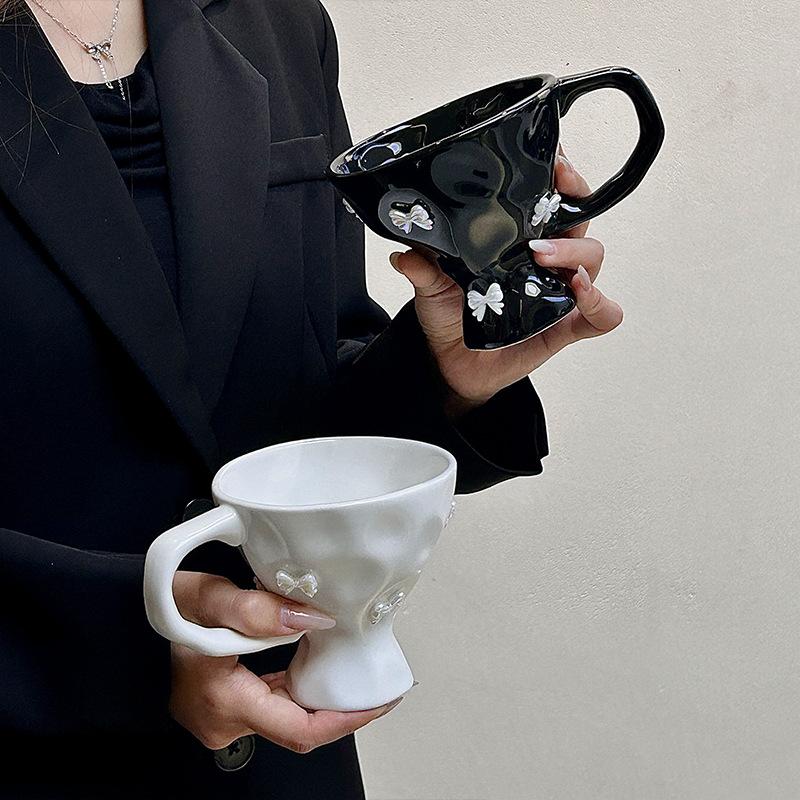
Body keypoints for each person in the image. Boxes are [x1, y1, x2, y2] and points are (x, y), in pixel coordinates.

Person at [0, 0, 622, 797]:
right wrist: (140, 631)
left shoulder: (277, 22)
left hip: (278, 757)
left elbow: (305, 391)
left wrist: (441, 374)